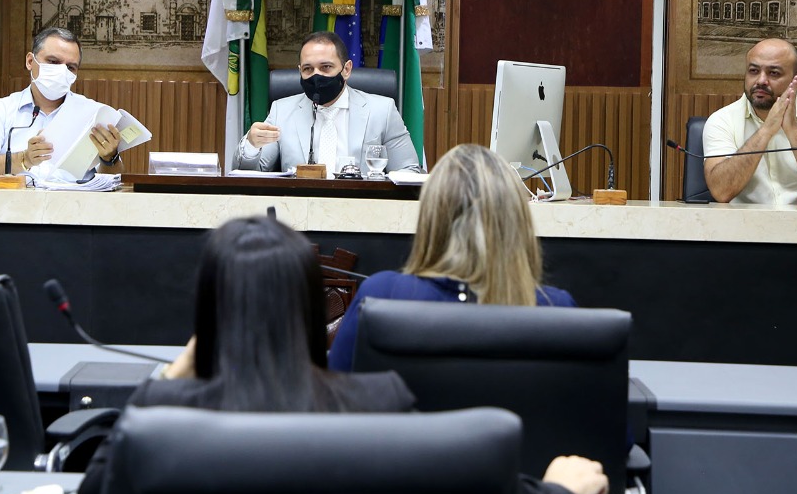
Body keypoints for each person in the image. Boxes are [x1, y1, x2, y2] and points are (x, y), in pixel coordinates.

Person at [76, 216, 606, 494]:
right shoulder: (377, 404)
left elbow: (95, 493)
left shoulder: (162, 419)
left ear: (208, 314)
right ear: (315, 312)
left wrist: (171, 376)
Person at [328, 143, 575, 372]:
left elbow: (336, 393)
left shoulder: (380, 295)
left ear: (431, 220)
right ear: (517, 222)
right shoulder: (557, 309)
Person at [234, 31, 421, 174]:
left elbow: (409, 171)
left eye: (326, 67)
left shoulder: (382, 110)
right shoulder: (281, 111)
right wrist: (251, 145)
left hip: (361, 209)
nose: (316, 75)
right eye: (308, 69)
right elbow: (252, 172)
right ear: (300, 71)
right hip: (298, 210)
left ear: (346, 69)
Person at [702, 38, 797, 204]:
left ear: (796, 80)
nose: (761, 81)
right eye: (753, 71)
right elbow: (721, 192)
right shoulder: (722, 120)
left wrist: (793, 131)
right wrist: (766, 131)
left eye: (774, 73)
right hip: (744, 219)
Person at [0, 27, 123, 181]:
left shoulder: (94, 114)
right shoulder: (0, 110)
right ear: (30, 61)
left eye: (70, 67)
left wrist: (110, 157)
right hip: (15, 197)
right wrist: (24, 159)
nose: (62, 71)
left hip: (74, 198)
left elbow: (115, 180)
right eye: (53, 62)